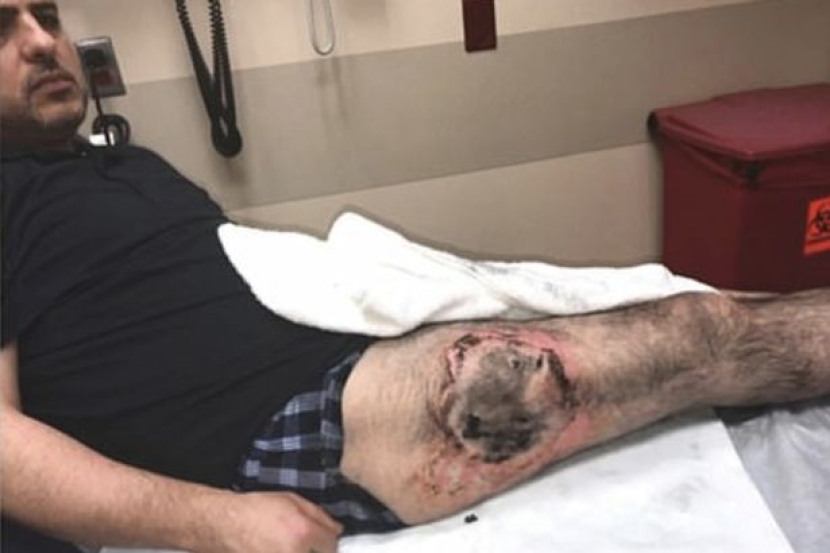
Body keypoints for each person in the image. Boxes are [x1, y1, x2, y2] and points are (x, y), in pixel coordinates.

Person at [1, 2, 828, 552]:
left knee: (687, 306)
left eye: (49, 16)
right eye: (4, 26)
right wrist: (215, 520)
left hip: (338, 338)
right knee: (688, 338)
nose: (43, 41)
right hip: (280, 416)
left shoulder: (122, 164)